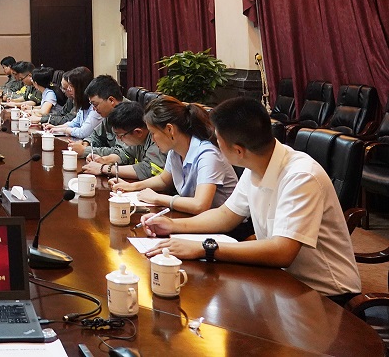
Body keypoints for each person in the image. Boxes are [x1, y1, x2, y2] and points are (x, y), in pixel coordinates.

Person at [142, 97, 361, 303]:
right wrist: (172, 225)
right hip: (282, 281)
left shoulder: (301, 176)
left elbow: (282, 251)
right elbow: (225, 215)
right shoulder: (255, 165)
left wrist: (204, 247)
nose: (215, 145)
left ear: (238, 150)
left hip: (325, 293)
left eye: (218, 140)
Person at [112, 96, 237, 214]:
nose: (153, 139)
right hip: (197, 218)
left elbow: (200, 205)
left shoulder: (208, 155)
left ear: (170, 129)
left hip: (226, 225)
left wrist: (157, 198)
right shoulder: (174, 151)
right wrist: (132, 186)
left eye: (153, 133)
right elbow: (163, 180)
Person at [80, 101, 165, 181]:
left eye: (120, 136)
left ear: (138, 132)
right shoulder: (137, 139)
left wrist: (104, 168)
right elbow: (125, 154)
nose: (118, 139)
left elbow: (147, 170)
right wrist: (104, 160)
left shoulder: (157, 140)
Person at [68, 75, 129, 156]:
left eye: (95, 104)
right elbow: (96, 135)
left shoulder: (129, 115)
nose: (94, 109)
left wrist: (85, 150)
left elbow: (123, 153)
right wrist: (86, 143)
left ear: (111, 100)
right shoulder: (110, 113)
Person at [44, 66, 101, 140]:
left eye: (71, 86)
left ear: (80, 88)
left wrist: (64, 130)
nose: (68, 89)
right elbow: (75, 123)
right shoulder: (82, 103)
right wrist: (56, 128)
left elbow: (83, 132)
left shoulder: (96, 106)